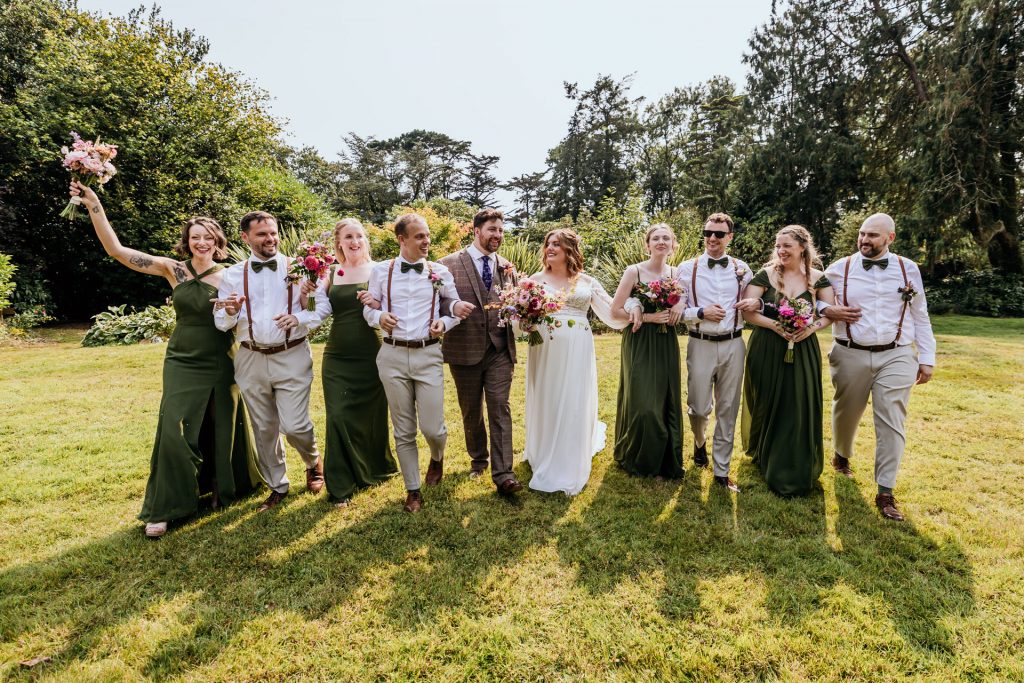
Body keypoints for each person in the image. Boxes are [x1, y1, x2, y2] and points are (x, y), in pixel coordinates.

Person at [71, 181, 260, 538]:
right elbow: (116, 250)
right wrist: (94, 203)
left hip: (221, 358)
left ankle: (221, 487)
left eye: (207, 237)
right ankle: (167, 506)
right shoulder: (174, 270)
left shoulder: (233, 275)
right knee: (174, 428)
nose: (201, 242)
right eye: (194, 237)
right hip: (182, 360)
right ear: (187, 242)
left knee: (221, 423)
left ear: (218, 242)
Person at [823, 213, 935, 521]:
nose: (864, 240)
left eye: (872, 235)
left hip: (897, 354)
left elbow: (920, 314)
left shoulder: (906, 268)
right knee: (847, 411)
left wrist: (927, 357)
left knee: (891, 419)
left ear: (890, 238)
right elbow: (812, 297)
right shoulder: (839, 268)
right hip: (849, 353)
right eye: (861, 234)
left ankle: (885, 491)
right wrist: (828, 308)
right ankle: (841, 455)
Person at [213, 211, 324, 512]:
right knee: (263, 427)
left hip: (291, 354)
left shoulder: (300, 267)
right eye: (262, 234)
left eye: (273, 232)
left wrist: (298, 315)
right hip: (250, 357)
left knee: (295, 424)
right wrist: (232, 311)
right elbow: (221, 322)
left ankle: (313, 462)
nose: (270, 238)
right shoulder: (232, 275)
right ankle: (278, 485)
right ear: (245, 238)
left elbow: (320, 308)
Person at [362, 213, 473, 512]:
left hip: (428, 354)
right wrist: (378, 317)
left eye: (427, 236)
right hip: (392, 355)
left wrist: (445, 324)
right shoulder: (381, 271)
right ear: (402, 239)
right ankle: (413, 489)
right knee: (403, 428)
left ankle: (437, 457)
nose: (427, 241)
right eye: (420, 236)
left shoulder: (439, 272)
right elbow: (369, 307)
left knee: (433, 428)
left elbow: (453, 308)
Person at [300, 219, 399, 507]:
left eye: (359, 236)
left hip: (371, 353)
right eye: (348, 237)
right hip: (337, 356)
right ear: (339, 243)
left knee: (372, 415)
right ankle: (340, 483)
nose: (354, 241)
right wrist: (306, 299)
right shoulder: (331, 273)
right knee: (338, 415)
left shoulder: (381, 270)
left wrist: (378, 305)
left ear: (365, 239)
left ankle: (375, 467)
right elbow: (319, 312)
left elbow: (394, 306)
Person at [524, 228, 628, 495]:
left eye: (557, 244)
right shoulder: (534, 280)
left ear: (569, 250)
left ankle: (570, 453)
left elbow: (612, 311)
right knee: (548, 395)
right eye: (548, 243)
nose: (550, 248)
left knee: (573, 396)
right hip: (545, 347)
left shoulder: (587, 281)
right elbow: (521, 319)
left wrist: (640, 309)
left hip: (578, 347)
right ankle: (545, 449)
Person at [739, 225, 836, 497]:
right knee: (768, 399)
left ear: (802, 248)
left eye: (787, 246)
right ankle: (764, 453)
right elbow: (748, 311)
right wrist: (775, 325)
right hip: (767, 345)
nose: (781, 251)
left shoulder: (818, 278)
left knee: (798, 401)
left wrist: (811, 327)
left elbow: (829, 312)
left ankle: (794, 460)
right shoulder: (765, 274)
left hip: (803, 347)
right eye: (778, 246)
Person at [438, 208, 524, 494]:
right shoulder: (447, 264)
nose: (497, 235)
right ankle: (479, 459)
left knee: (500, 407)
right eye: (492, 230)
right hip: (464, 350)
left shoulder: (507, 267)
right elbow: (436, 305)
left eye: (500, 230)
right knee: (471, 411)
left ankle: (504, 475)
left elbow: (514, 304)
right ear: (476, 231)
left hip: (499, 349)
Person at [675, 212, 753, 492]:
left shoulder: (742, 268)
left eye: (718, 234)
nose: (712, 238)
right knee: (697, 407)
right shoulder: (686, 268)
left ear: (729, 237)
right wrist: (700, 312)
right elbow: (676, 311)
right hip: (700, 342)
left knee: (728, 408)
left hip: (734, 343)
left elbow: (751, 302)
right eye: (708, 233)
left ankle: (722, 470)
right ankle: (699, 442)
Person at [610, 223, 686, 479]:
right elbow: (615, 310)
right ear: (647, 245)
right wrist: (649, 317)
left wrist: (680, 305)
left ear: (673, 244)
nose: (661, 242)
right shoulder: (634, 272)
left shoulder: (677, 273)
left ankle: (666, 460)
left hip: (666, 342)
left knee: (666, 399)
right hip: (640, 340)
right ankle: (638, 456)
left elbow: (685, 301)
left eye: (666, 238)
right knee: (644, 403)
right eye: (656, 238)